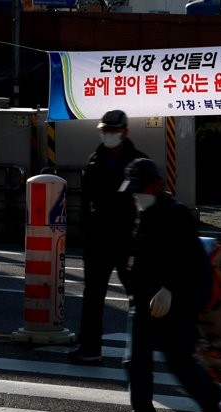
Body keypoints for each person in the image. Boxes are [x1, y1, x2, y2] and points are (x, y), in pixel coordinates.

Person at [116, 159, 221, 412]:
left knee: (179, 361)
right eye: (133, 190)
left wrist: (169, 289)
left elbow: (190, 263)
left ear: (158, 185)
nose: (137, 195)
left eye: (142, 189)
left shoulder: (177, 215)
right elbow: (128, 254)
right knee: (135, 362)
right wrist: (132, 288)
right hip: (142, 299)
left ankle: (209, 397)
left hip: (178, 301)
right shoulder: (137, 211)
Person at [68, 109, 148, 365]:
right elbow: (86, 200)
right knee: (93, 296)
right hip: (98, 239)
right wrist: (85, 230)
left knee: (138, 295)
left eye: (113, 131)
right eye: (105, 131)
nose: (108, 135)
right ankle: (90, 349)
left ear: (124, 132)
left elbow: (148, 204)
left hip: (128, 240)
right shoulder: (94, 160)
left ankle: (149, 346)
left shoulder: (139, 162)